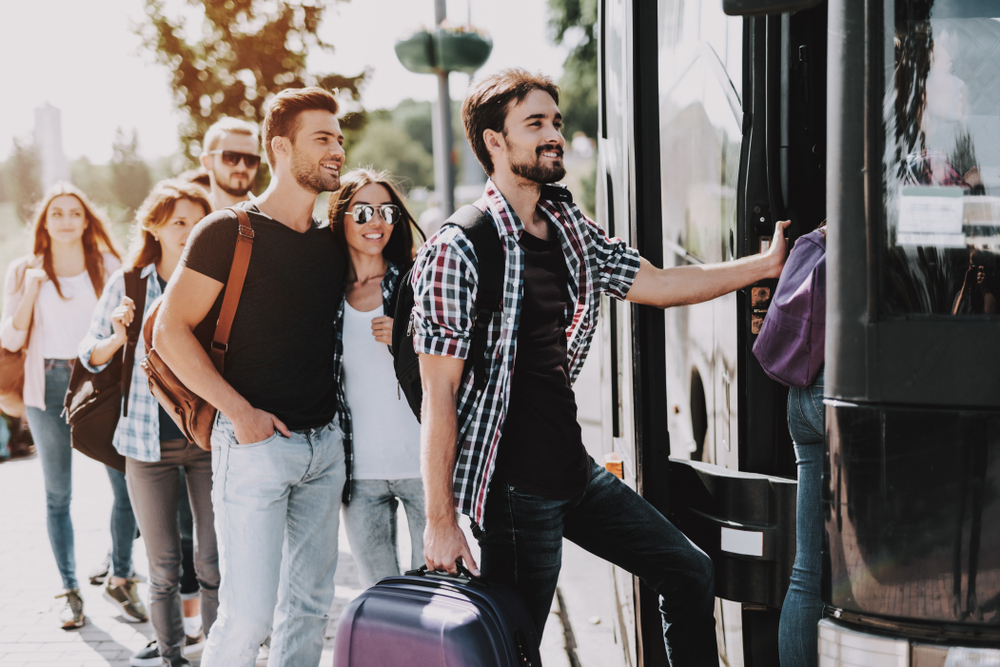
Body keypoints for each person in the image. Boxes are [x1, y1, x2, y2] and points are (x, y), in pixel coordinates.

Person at [413, 69, 789, 664]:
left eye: (555, 122)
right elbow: (439, 393)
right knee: (513, 648)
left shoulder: (564, 227)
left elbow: (659, 283)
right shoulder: (460, 246)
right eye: (534, 124)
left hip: (573, 472)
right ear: (493, 141)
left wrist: (763, 268)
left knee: (689, 571)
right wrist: (440, 520)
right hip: (513, 492)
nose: (553, 135)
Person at [153, 87, 348, 667]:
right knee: (248, 619)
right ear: (280, 148)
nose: (337, 149)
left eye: (340, 138)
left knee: (309, 611)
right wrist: (240, 413)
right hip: (253, 447)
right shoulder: (227, 231)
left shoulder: (330, 243)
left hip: (323, 449)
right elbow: (169, 332)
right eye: (323, 138)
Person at [79, 180, 219, 667]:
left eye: (197, 221)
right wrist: (119, 336)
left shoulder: (213, 281)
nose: (189, 230)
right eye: (178, 221)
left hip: (205, 440)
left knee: (212, 562)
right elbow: (90, 357)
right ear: (153, 226)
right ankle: (172, 657)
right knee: (162, 567)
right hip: (144, 444)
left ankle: (221, 654)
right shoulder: (128, 283)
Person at [0, 182, 127, 629]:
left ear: (87, 220)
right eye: (57, 213)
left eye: (75, 212)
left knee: (125, 484)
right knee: (58, 494)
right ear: (45, 222)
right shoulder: (24, 269)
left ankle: (123, 576)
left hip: (99, 381)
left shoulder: (110, 265)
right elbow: (11, 339)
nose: (67, 220)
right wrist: (32, 290)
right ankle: (70, 590)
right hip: (48, 383)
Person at [328, 168, 425, 588]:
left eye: (387, 211)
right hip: (359, 474)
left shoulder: (416, 280)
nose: (377, 222)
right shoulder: (323, 291)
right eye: (363, 211)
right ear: (340, 217)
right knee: (381, 599)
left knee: (437, 594)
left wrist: (415, 337)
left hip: (426, 467)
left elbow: (467, 354)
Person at [773, 225, 826, 667]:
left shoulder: (823, 233)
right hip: (840, 398)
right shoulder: (893, 224)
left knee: (806, 572)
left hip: (803, 396)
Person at [198, 117, 261, 210]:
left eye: (251, 160)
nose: (241, 167)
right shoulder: (189, 219)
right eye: (230, 158)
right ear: (207, 162)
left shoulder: (272, 219)